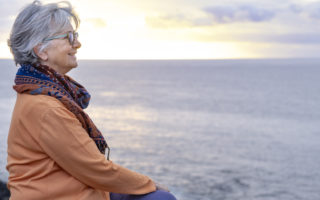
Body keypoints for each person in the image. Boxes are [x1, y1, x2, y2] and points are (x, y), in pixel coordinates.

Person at [6, 1, 177, 200]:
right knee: (160, 198)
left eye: (75, 36)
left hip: (78, 190)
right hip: (61, 195)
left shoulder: (40, 93)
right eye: (69, 37)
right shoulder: (46, 106)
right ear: (41, 51)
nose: (77, 44)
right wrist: (149, 184)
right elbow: (95, 168)